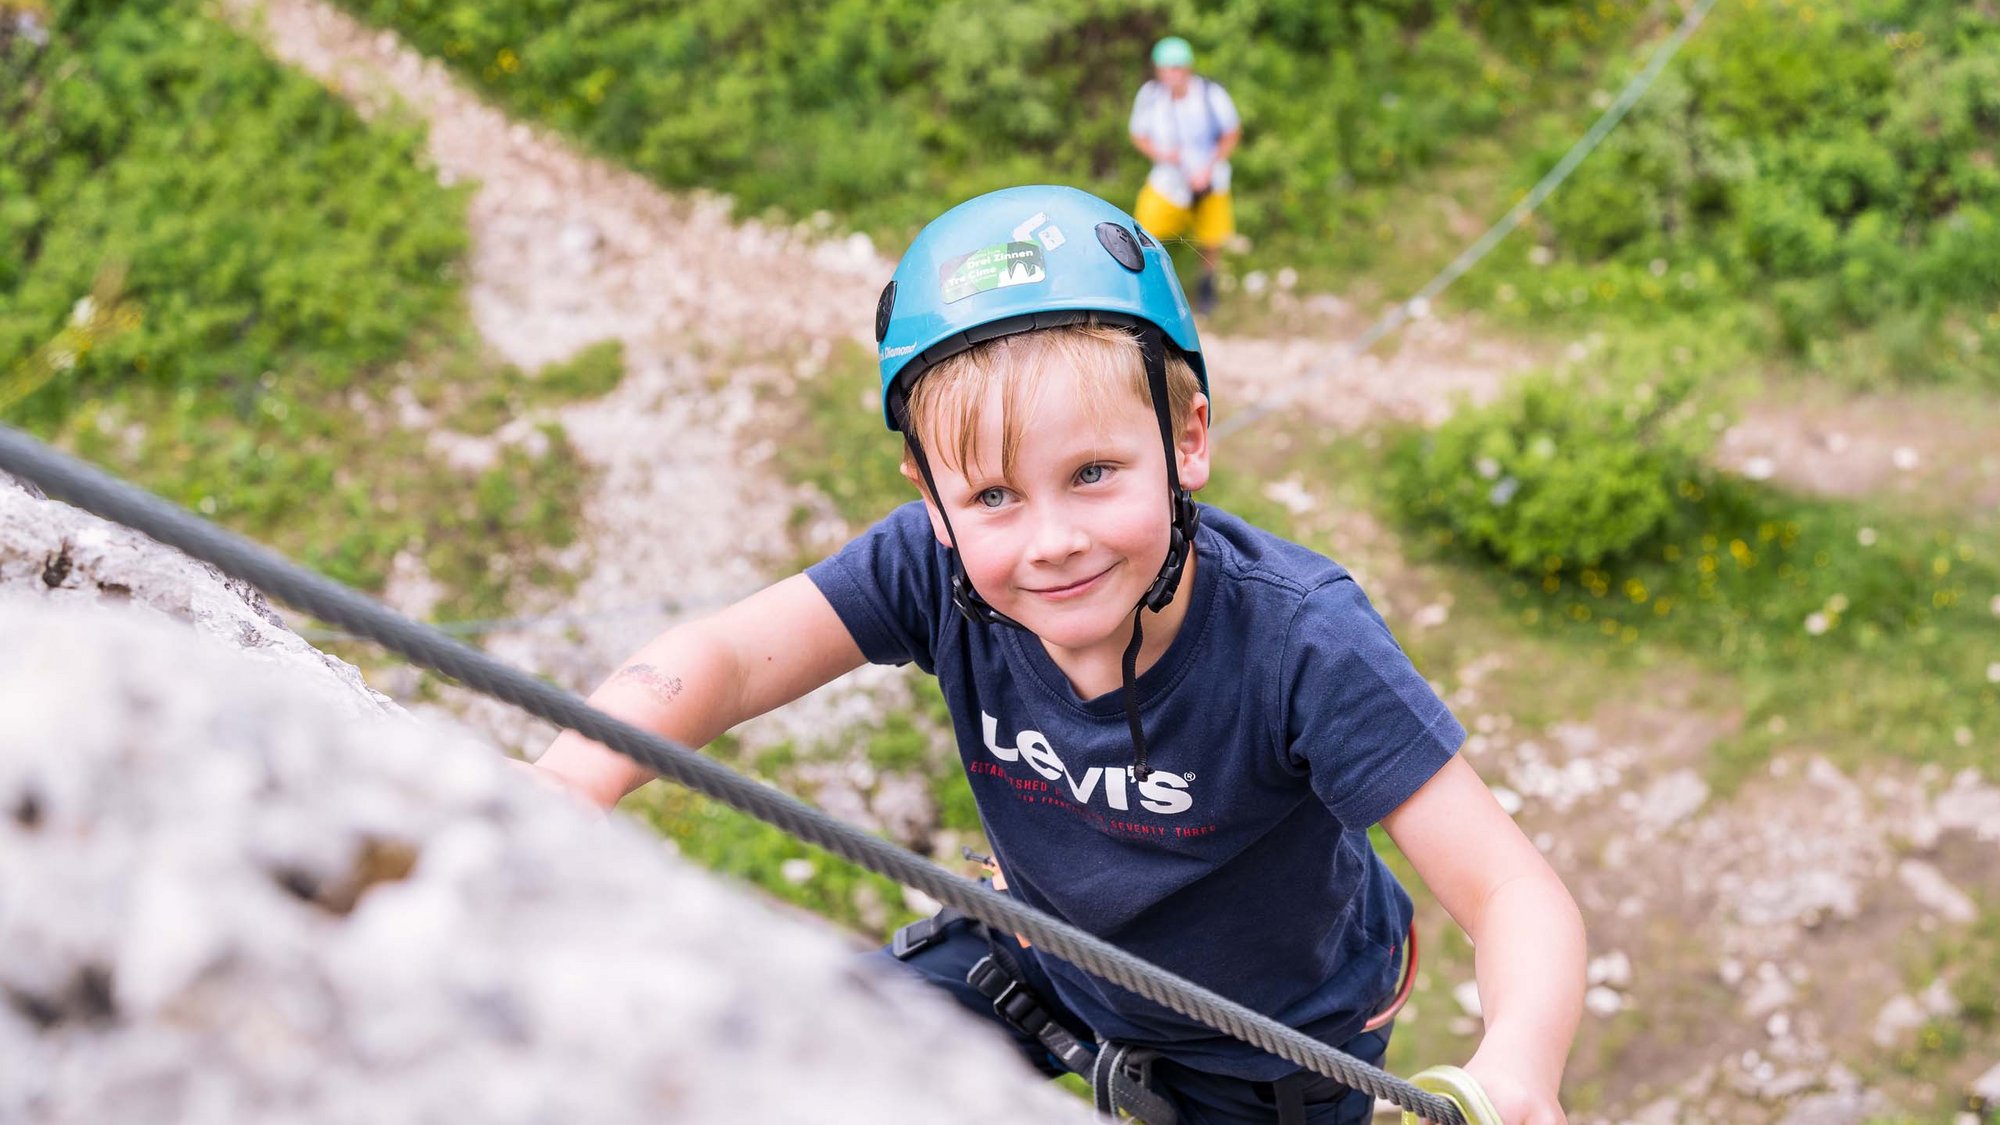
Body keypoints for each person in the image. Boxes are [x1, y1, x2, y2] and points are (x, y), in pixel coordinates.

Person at [524, 185, 1585, 1125]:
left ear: (1187, 441)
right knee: (807, 1066)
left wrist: (1516, 1064)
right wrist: (574, 777)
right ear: (931, 500)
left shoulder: (1299, 640)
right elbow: (726, 656)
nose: (1052, 541)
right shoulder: (929, 570)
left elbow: (1511, 893)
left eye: (1091, 473)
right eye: (992, 494)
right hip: (1038, 960)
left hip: (1263, 1052)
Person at [1128, 36, 1242, 316]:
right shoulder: (1150, 96)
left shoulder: (1209, 94)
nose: (1172, 74)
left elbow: (1231, 133)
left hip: (1210, 180)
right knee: (1144, 230)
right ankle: (1150, 288)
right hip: (1168, 181)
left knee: (1211, 237)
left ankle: (1207, 287)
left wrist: (1208, 167)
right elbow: (1138, 134)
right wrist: (1163, 155)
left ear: (1188, 68)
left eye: (1177, 67)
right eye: (1166, 68)